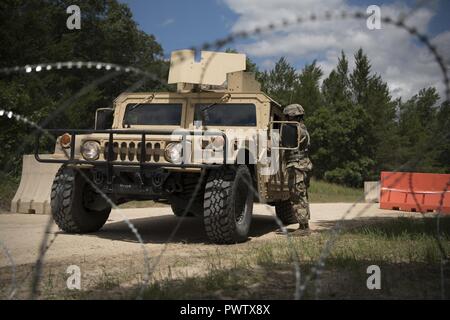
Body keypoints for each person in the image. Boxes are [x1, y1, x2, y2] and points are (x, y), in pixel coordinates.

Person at [283, 103, 313, 235]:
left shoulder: (294, 129)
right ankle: (304, 224)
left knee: (297, 196)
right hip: (303, 165)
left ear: (292, 116)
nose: (286, 119)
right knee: (302, 195)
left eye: (287, 116)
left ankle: (303, 228)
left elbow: (285, 144)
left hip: (297, 166)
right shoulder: (303, 128)